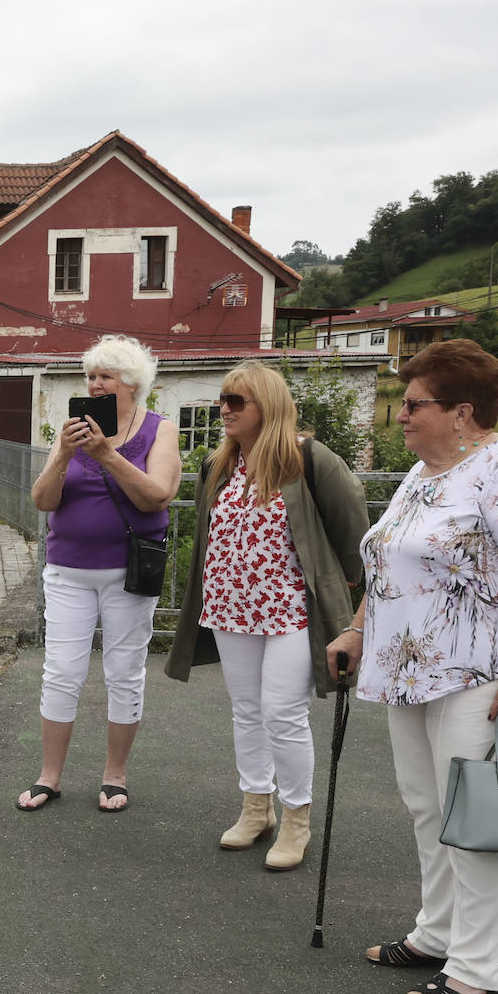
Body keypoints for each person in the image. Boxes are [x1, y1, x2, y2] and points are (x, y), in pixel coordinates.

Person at [325, 339, 498, 994]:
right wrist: (356, 627)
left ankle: (476, 970)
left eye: (413, 403)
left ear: (462, 411)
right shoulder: (422, 474)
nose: (399, 415)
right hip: (411, 672)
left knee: (476, 821)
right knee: (429, 809)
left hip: (484, 676)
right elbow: (391, 563)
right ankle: (437, 933)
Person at [165, 361, 368, 871]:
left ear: (267, 407)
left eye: (238, 402)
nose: (225, 410)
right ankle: (257, 807)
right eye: (223, 401)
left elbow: (352, 521)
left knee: (284, 713)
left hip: (289, 611)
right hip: (230, 607)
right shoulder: (220, 464)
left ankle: (296, 818)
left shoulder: (306, 459)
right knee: (247, 711)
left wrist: (342, 588)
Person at [17, 334, 181, 814]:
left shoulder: (159, 429)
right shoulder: (70, 432)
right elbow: (43, 501)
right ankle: (50, 776)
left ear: (131, 384)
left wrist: (107, 453)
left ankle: (115, 775)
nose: (94, 383)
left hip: (128, 571)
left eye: (105, 376)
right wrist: (66, 454)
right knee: (62, 672)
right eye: (90, 376)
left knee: (124, 673)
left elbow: (157, 496)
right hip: (68, 570)